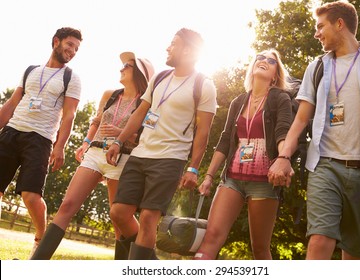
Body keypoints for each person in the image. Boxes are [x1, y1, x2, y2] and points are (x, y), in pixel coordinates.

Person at [268, 1, 360, 260]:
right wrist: (283, 157)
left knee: (354, 254)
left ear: (340, 24)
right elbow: (300, 120)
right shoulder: (318, 67)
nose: (316, 33)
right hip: (326, 167)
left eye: (320, 26)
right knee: (319, 241)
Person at [29, 52, 154, 260]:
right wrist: (86, 142)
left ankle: (136, 263)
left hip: (121, 160)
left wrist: (120, 135)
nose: (121, 68)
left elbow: (146, 138)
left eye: (127, 66)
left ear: (140, 74)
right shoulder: (110, 94)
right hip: (95, 154)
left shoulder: (146, 104)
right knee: (67, 206)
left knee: (119, 222)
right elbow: (96, 122)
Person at [105, 28, 217, 260]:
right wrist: (119, 141)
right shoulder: (160, 77)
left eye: (173, 44)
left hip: (170, 158)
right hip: (141, 153)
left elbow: (203, 132)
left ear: (187, 50)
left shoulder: (203, 85)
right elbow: (140, 114)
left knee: (148, 218)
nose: (168, 47)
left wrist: (193, 168)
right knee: (119, 212)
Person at [194, 50, 293, 260]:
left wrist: (284, 159)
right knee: (210, 237)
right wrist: (209, 176)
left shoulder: (280, 98)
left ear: (275, 74)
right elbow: (224, 139)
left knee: (259, 248)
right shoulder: (238, 102)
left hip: (264, 182)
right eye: (260, 57)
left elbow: (283, 131)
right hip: (232, 179)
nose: (264, 61)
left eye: (271, 60)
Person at [0, 27, 83, 257]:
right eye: (69, 45)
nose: (72, 51)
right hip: (11, 132)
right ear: (56, 42)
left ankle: (39, 240)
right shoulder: (31, 71)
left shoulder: (71, 78)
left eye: (76, 48)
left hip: (40, 139)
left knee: (30, 195)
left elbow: (69, 115)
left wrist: (60, 146)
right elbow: (11, 103)